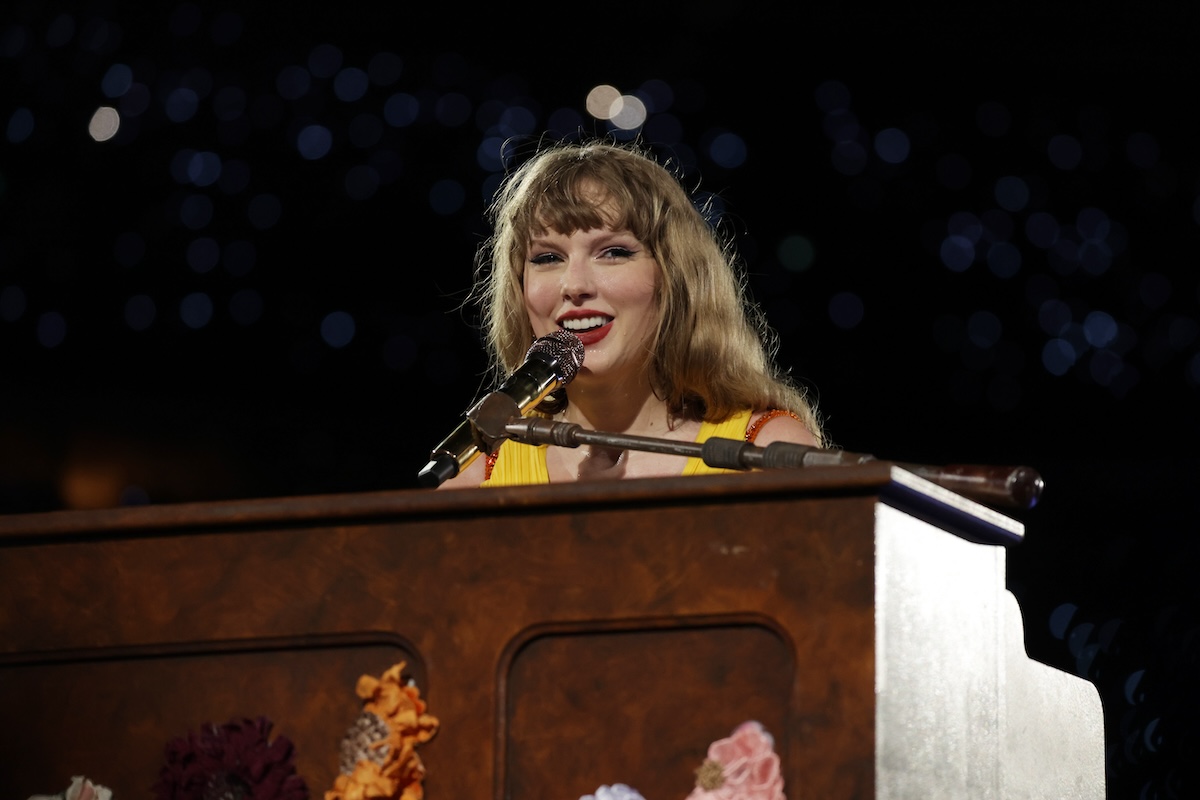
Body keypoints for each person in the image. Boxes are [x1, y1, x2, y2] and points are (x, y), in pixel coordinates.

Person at [439, 138, 825, 488]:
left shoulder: (766, 454)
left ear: (675, 277)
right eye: (548, 258)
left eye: (613, 252)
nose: (574, 285)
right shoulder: (475, 474)